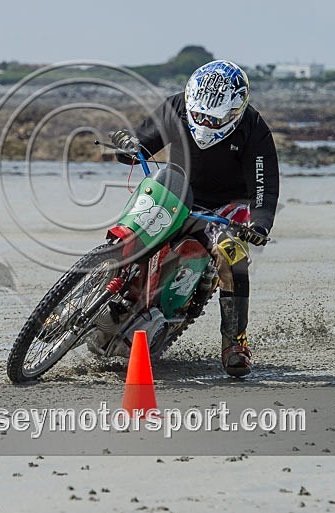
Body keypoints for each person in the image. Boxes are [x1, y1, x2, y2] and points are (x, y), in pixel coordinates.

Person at [109, 59, 279, 377]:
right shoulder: (175, 105)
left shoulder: (254, 130)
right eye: (199, 115)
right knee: (135, 225)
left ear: (235, 113)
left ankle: (234, 343)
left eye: (214, 119)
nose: (204, 122)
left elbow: (264, 188)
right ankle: (81, 295)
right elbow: (141, 142)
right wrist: (129, 148)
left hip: (224, 209)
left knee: (233, 256)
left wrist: (259, 224)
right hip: (175, 190)